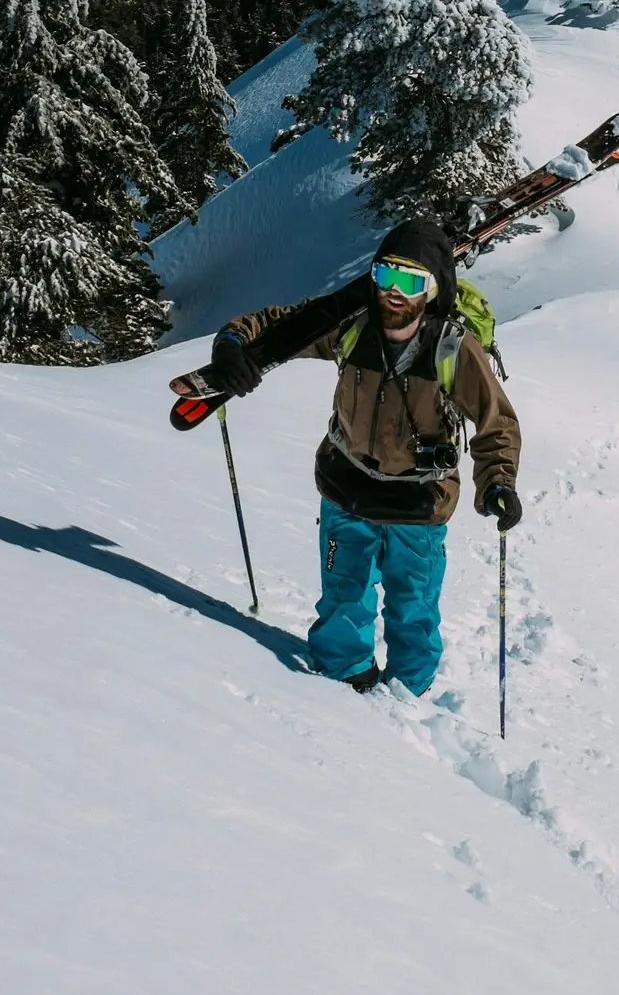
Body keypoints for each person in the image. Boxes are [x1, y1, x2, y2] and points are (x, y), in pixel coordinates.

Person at [210, 217, 522, 696]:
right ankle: (341, 689)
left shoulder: (452, 350)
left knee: (413, 612)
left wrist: (497, 482)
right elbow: (281, 326)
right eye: (385, 276)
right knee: (343, 601)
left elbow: (495, 421)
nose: (394, 292)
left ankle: (407, 702)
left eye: (410, 282)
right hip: (346, 492)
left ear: (432, 291)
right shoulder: (350, 330)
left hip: (418, 507)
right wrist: (233, 342)